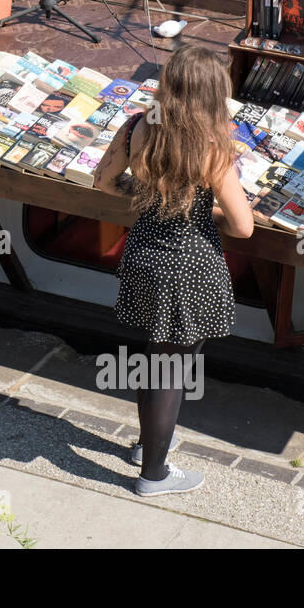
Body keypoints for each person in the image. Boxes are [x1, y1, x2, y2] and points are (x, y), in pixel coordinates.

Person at [93, 45, 254, 497]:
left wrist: (146, 195)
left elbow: (103, 181)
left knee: (153, 358)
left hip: (144, 256)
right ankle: (154, 475)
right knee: (170, 370)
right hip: (188, 268)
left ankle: (147, 444)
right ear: (212, 94)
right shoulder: (211, 150)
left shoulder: (139, 128)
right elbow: (243, 227)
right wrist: (205, 215)